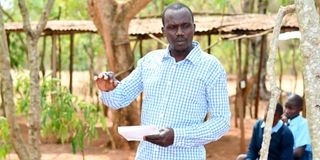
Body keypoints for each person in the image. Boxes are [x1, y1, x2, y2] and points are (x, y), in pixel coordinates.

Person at [94, 2, 231, 160]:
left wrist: (177, 136)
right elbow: (120, 98)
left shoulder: (211, 67)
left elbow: (221, 122)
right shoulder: (150, 62)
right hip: (146, 156)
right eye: (172, 27)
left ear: (193, 27)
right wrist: (107, 89)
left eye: (185, 26)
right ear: (163, 31)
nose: (180, 32)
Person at [282, 94, 313, 160]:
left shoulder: (304, 124)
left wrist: (276, 154)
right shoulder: (285, 123)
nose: (286, 111)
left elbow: (298, 153)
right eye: (286, 107)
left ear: (300, 109)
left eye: (290, 108)